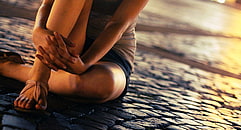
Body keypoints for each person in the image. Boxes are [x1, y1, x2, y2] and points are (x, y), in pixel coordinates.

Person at [0, 0, 148, 112]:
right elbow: (47, 4)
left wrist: (85, 63)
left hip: (111, 51)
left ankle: (9, 68)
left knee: (100, 85)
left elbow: (118, 24)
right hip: (67, 37)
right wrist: (37, 30)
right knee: (76, 85)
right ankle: (38, 78)